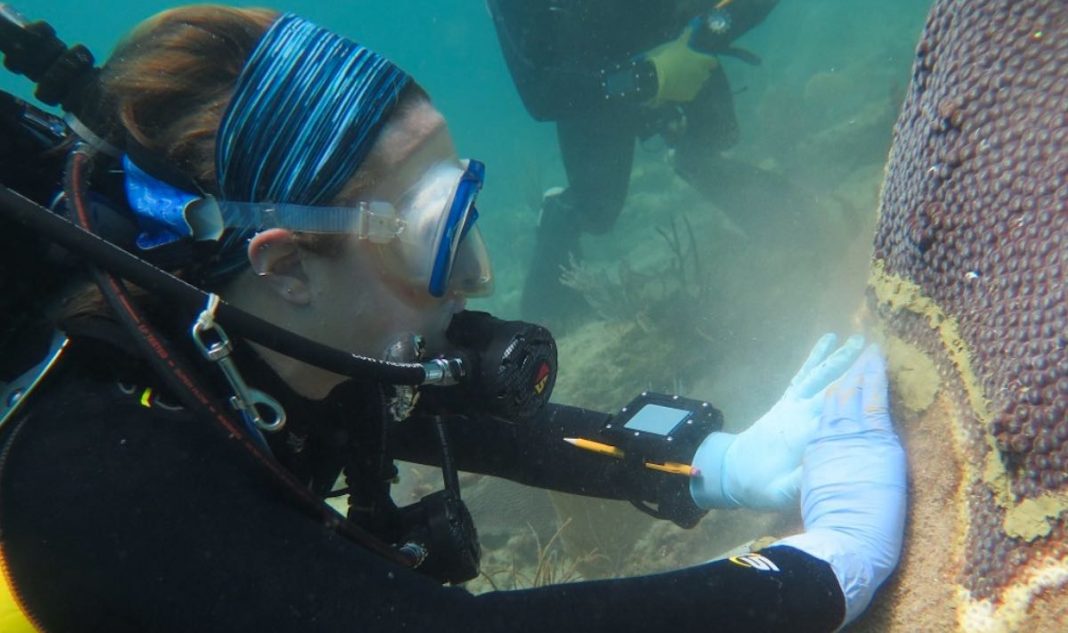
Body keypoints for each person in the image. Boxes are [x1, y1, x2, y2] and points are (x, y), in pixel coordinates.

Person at [0, 6, 905, 632]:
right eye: (435, 237)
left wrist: (712, 462)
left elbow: (446, 414)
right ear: (285, 265)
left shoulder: (261, 333)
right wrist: (816, 573)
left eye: (466, 210)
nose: (480, 275)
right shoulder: (109, 475)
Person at [487, 0, 789, 322]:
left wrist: (709, 33)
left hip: (675, 36)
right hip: (590, 82)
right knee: (597, 208)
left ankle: (782, 226)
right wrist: (649, 78)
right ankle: (557, 233)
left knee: (716, 138)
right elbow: (541, 94)